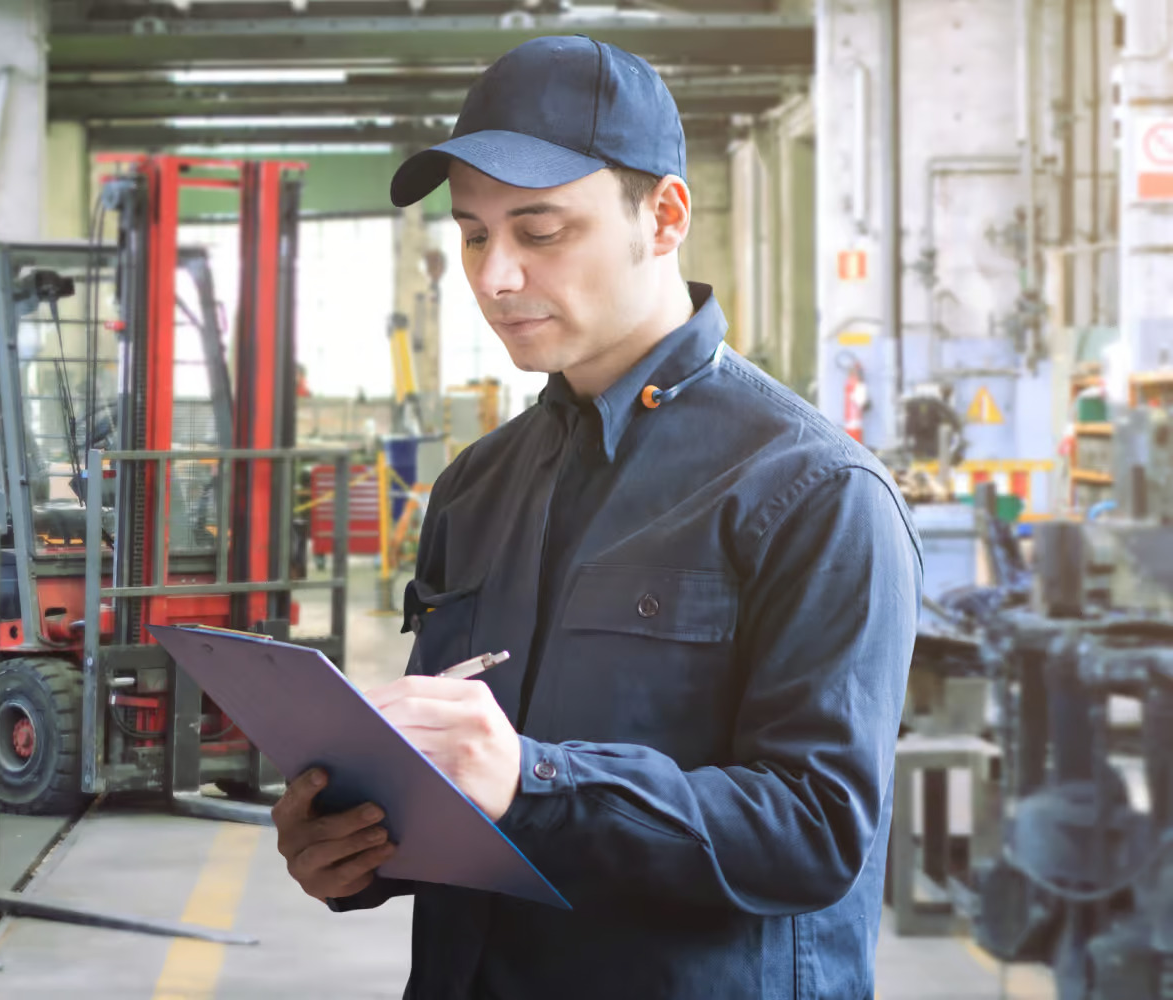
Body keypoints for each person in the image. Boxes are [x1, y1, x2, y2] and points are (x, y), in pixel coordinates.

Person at [269, 35, 921, 999]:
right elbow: (451, 781)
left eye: (540, 231)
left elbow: (814, 833)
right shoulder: (477, 488)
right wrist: (357, 848)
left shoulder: (814, 493)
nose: (494, 277)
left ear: (662, 217)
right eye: (475, 233)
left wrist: (534, 782)